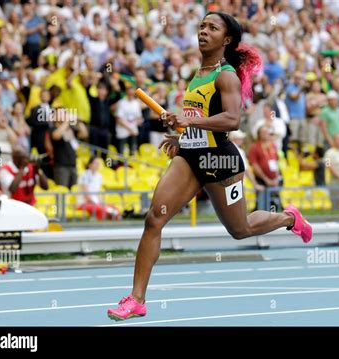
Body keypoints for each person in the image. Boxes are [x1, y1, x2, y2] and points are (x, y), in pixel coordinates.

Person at [108, 12, 312, 321]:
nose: (203, 31)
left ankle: (288, 218)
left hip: (220, 161)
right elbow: (202, 120)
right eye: (202, 26)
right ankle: (137, 299)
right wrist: (182, 137)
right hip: (191, 155)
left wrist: (187, 120)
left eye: (212, 28)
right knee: (154, 219)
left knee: (240, 230)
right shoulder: (199, 73)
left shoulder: (225, 75)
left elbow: (232, 120)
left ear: (226, 39)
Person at [77, 156, 120, 220]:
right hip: (84, 203)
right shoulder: (84, 175)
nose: (97, 165)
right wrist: (97, 203)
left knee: (116, 210)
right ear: (90, 164)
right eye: (95, 163)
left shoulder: (99, 176)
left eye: (98, 163)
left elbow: (99, 192)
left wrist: (101, 202)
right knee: (101, 209)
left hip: (97, 202)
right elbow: (86, 195)